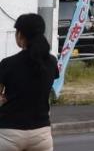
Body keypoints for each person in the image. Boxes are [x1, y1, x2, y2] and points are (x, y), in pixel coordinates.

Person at [0, 13, 58, 151]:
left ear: (20, 35)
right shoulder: (51, 62)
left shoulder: (7, 64)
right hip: (41, 132)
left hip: (9, 133)